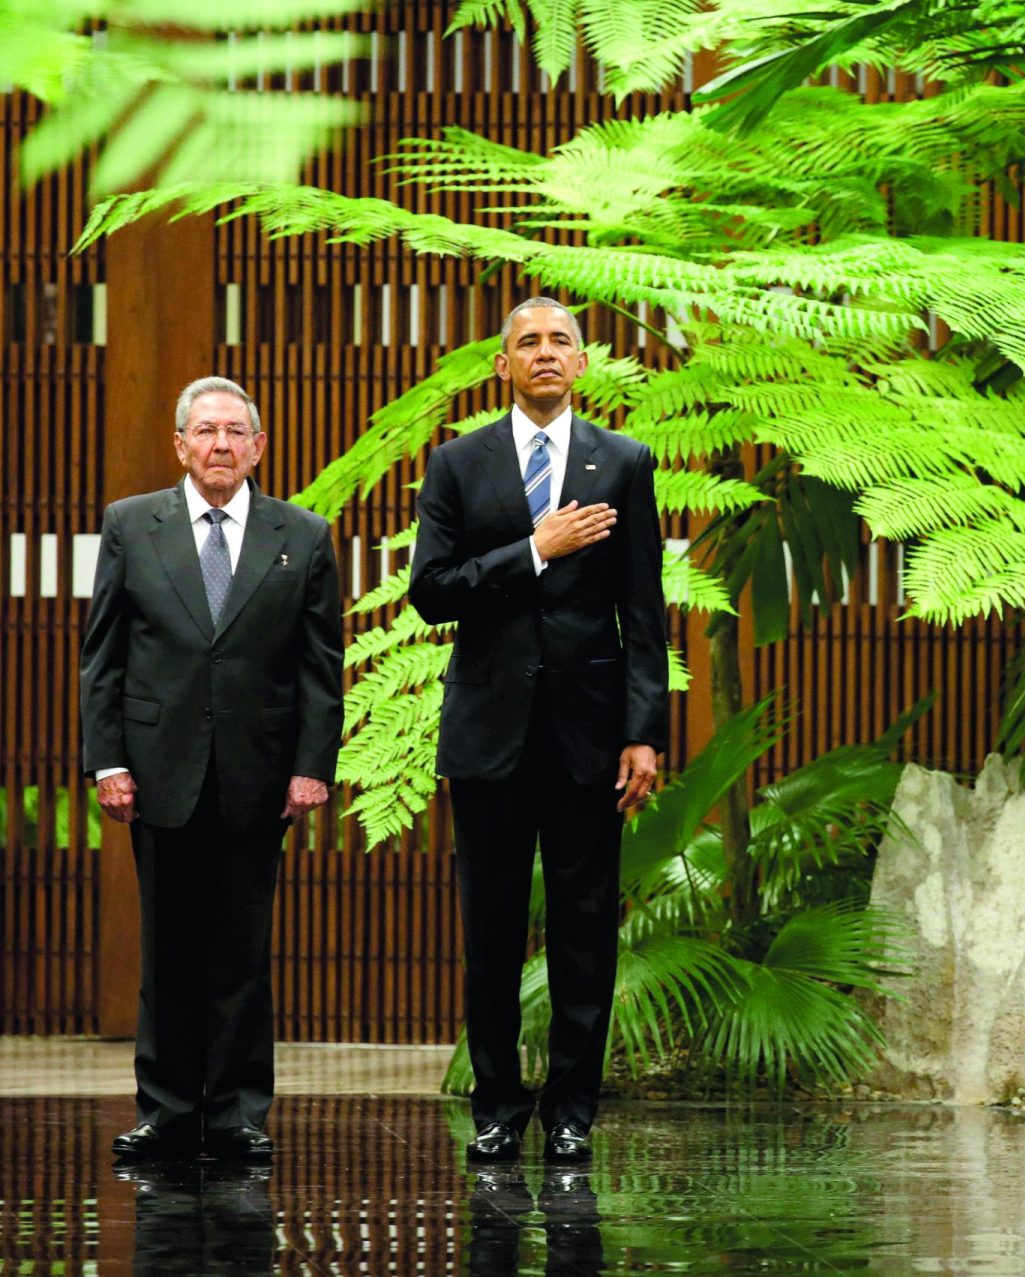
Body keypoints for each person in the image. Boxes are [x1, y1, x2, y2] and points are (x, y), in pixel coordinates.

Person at [410, 297, 670, 1164]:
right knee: (488, 931)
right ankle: (495, 1106)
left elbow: (644, 610)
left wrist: (644, 732)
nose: (546, 353)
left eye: (561, 341)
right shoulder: (455, 464)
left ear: (583, 363)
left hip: (590, 735)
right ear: (503, 365)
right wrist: (535, 548)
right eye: (529, 342)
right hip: (487, 730)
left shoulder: (624, 462)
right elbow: (433, 590)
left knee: (584, 930)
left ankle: (570, 1112)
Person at [80, 376, 345, 1161]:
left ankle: (234, 1113)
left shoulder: (303, 533)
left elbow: (320, 666)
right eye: (206, 431)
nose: (221, 444)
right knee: (168, 948)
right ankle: (166, 1109)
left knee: (241, 950)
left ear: (259, 447)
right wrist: (107, 761)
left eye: (236, 432)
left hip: (259, 773)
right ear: (180, 445)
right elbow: (105, 657)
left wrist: (311, 766)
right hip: (157, 769)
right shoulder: (132, 525)